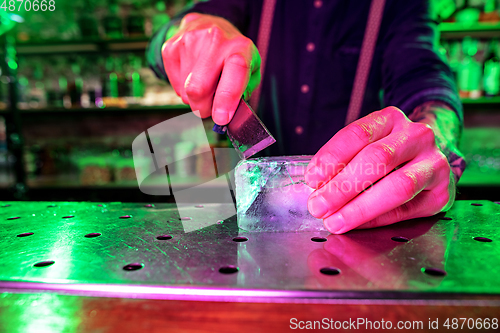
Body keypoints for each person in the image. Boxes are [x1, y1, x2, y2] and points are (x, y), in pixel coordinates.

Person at [146, 0, 466, 234]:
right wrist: (191, 30)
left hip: (349, 229)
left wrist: (433, 136)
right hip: (242, 218)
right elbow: (160, 45)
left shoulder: (402, 6)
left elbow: (426, 79)